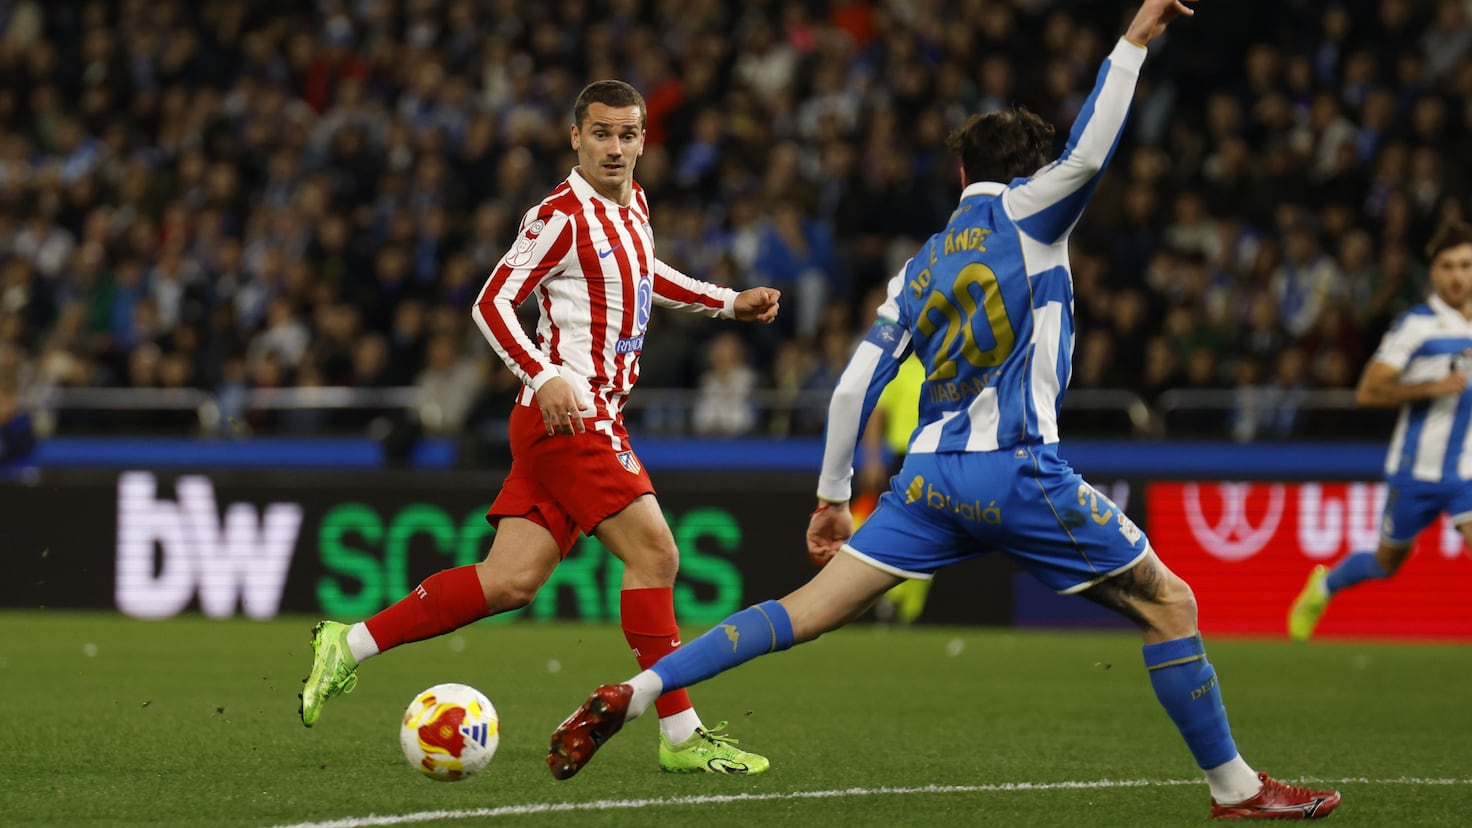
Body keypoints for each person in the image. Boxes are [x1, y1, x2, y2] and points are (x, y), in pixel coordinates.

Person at [546, 3, 1342, 819]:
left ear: (961, 174)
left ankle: (638, 692)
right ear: (1027, 173)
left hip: (926, 481)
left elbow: (853, 386)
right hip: (1018, 469)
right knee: (1170, 604)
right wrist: (1133, 42)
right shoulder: (1034, 213)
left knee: (799, 612)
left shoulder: (919, 266)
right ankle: (1236, 789)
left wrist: (831, 497)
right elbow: (1091, 149)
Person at [300, 80, 782, 776]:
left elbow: (645, 274)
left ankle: (349, 645)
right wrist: (543, 373)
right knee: (656, 555)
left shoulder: (636, 205)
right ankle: (681, 735)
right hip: (571, 415)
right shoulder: (558, 216)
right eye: (601, 133)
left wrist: (728, 302)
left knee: (509, 582)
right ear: (575, 137)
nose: (614, 148)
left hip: (577, 418)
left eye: (627, 134)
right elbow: (491, 303)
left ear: (643, 140)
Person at [1289, 221, 1472, 641]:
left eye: (1466, 265)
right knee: (1385, 562)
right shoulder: (1416, 326)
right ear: (1433, 272)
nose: (1457, 276)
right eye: (1448, 266)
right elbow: (1368, 392)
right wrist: (1431, 387)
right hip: (1415, 472)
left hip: (1466, 473)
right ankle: (1323, 587)